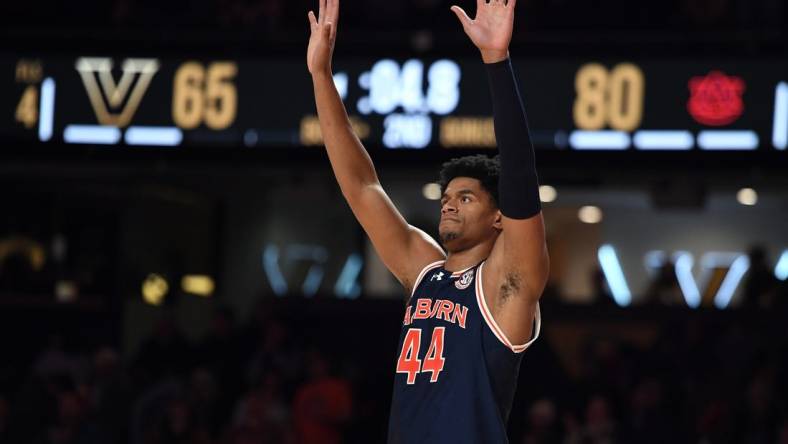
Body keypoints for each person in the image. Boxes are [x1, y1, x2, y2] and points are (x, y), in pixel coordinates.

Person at [306, 0, 548, 442]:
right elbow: (362, 187)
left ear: (499, 217)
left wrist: (496, 61)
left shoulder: (504, 286)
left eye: (466, 197)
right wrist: (322, 77)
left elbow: (520, 179)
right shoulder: (424, 271)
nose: (449, 205)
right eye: (447, 197)